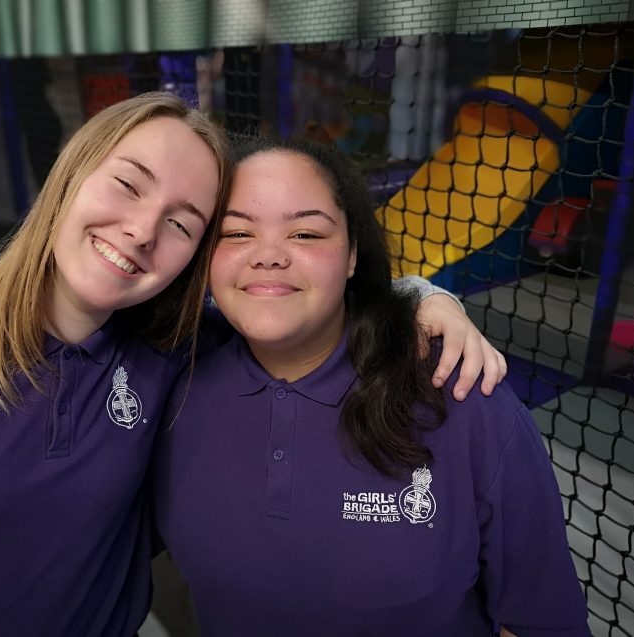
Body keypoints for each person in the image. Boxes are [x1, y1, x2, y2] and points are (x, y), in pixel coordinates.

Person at [0, 93, 503, 637]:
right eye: (127, 184)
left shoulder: (173, 351)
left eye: (182, 222)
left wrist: (420, 297)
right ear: (71, 176)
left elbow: (306, 305)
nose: (141, 230)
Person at [153, 136, 589, 636]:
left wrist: (422, 296)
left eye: (306, 234)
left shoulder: (460, 392)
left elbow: (538, 619)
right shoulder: (172, 383)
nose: (268, 255)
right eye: (236, 234)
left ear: (353, 254)